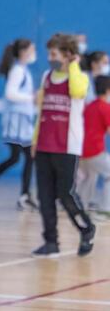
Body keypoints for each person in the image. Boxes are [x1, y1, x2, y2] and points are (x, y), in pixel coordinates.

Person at [31, 33, 96, 258]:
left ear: (67, 55)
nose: (50, 58)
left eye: (54, 54)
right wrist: (35, 140)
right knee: (45, 197)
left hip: (67, 146)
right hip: (44, 146)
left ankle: (86, 229)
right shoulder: (46, 77)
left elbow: (78, 92)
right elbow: (41, 111)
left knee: (65, 194)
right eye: (49, 54)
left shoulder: (80, 77)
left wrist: (74, 65)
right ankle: (51, 242)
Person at [0, 38, 37, 210]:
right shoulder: (17, 71)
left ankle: (19, 193)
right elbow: (10, 93)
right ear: (23, 52)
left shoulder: (23, 70)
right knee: (20, 157)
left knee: (23, 157)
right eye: (32, 50)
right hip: (15, 122)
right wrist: (31, 97)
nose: (34, 53)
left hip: (22, 121)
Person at [78, 75, 110, 216]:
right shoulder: (105, 107)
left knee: (89, 177)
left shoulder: (89, 106)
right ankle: (106, 209)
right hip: (95, 151)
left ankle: (81, 207)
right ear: (108, 90)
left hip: (82, 151)